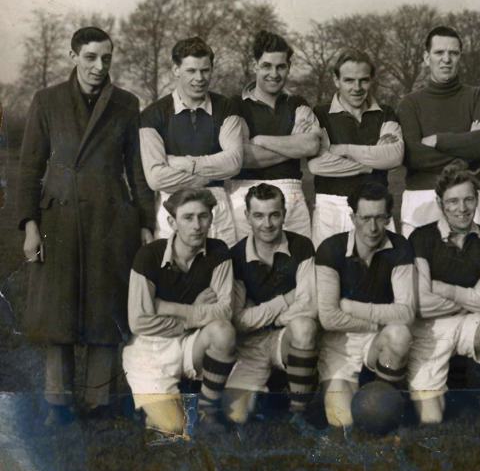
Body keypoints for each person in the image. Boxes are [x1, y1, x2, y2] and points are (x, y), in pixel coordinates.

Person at [16, 27, 154, 424]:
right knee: (57, 311)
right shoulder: (47, 101)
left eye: (106, 58)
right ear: (73, 56)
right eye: (91, 57)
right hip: (58, 218)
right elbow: (29, 169)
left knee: (103, 308)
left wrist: (145, 222)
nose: (99, 66)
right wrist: (29, 224)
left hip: (111, 220)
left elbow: (137, 171)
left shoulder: (127, 104)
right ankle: (57, 403)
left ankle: (99, 401)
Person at [407, 160, 480, 428]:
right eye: (453, 202)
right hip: (430, 329)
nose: (462, 209)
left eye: (469, 200)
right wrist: (473, 295)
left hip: (472, 325)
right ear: (440, 203)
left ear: (477, 200)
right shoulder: (421, 238)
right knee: (430, 418)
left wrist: (443, 289)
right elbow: (421, 305)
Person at [123, 189, 236, 437]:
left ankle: (208, 410)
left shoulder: (219, 252)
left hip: (189, 344)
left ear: (211, 218)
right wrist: (195, 313)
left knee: (223, 332)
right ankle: (153, 405)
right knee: (173, 430)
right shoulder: (149, 256)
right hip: (151, 350)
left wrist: (169, 307)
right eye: (188, 218)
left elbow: (224, 311)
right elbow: (139, 322)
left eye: (203, 216)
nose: (197, 225)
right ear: (172, 222)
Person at [315, 182, 415, 428]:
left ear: (389, 218)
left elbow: (406, 312)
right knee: (342, 423)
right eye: (365, 218)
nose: (372, 228)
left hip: (377, 339)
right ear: (353, 217)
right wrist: (377, 318)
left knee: (399, 335)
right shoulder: (331, 248)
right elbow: (328, 318)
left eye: (380, 218)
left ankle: (385, 398)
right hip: (340, 343)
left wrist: (349, 307)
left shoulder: (400, 247)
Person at [223, 183, 318, 425]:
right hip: (250, 346)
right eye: (258, 216)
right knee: (234, 417)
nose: (267, 224)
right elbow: (238, 321)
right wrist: (285, 301)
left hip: (284, 338)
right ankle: (272, 394)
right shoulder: (236, 256)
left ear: (284, 214)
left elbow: (308, 303)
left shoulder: (302, 246)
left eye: (274, 215)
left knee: (304, 326)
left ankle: (299, 412)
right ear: (246, 216)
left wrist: (268, 317)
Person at [140, 36, 245, 248]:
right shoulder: (152, 115)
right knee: (175, 277)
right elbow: (156, 179)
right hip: (173, 205)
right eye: (191, 71)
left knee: (222, 274)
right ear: (176, 70)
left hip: (217, 207)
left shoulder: (226, 107)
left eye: (205, 70)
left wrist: (184, 164)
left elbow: (233, 163)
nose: (200, 78)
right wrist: (209, 174)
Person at [397, 26, 480, 237]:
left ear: (460, 56)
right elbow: (413, 155)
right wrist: (466, 146)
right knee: (420, 269)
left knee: (470, 267)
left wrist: (437, 140)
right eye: (439, 53)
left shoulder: (477, 97)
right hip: (421, 198)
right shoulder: (409, 103)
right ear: (426, 57)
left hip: (467, 198)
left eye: (453, 53)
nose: (446, 59)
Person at [228, 31, 322, 240]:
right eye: (267, 66)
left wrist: (260, 140)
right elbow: (241, 157)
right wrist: (293, 147)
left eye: (281, 66)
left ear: (288, 67)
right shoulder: (236, 105)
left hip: (292, 195)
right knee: (249, 268)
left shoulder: (298, 103)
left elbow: (311, 145)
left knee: (298, 265)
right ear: (255, 66)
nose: (274, 73)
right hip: (246, 195)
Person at [309, 49, 404, 246]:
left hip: (376, 208)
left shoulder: (385, 113)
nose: (357, 87)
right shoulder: (319, 114)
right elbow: (317, 165)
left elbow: (394, 157)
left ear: (372, 80)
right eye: (349, 80)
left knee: (380, 274)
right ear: (336, 80)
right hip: (331, 208)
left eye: (364, 80)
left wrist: (342, 150)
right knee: (331, 272)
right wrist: (372, 164)